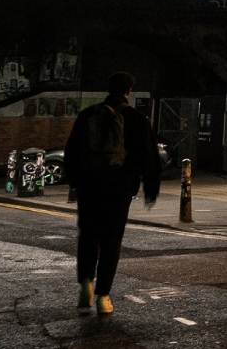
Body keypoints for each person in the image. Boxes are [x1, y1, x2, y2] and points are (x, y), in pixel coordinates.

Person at [62, 73, 161, 315]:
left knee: (88, 235)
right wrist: (150, 188)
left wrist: (75, 182)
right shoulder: (136, 119)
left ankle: (86, 284)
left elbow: (71, 150)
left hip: (89, 186)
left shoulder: (88, 115)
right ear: (129, 91)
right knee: (111, 241)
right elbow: (149, 156)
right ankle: (103, 296)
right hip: (119, 188)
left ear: (109, 88)